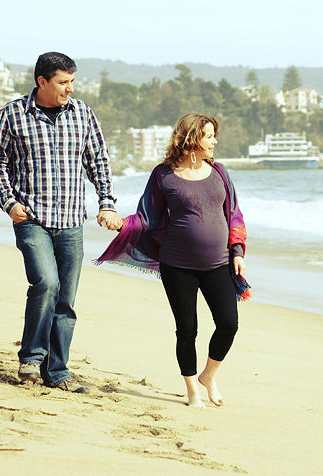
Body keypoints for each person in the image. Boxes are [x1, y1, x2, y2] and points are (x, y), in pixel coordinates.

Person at [0, 52, 121, 394]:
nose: (69, 89)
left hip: (72, 221)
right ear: (42, 81)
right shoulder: (13, 114)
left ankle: (57, 371)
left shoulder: (82, 113)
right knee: (46, 283)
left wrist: (107, 204)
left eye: (72, 82)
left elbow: (99, 163)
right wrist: (10, 203)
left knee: (66, 300)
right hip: (32, 219)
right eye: (63, 82)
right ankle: (31, 357)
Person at [95, 113, 250, 408]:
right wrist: (120, 224)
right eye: (208, 135)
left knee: (229, 323)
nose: (214, 140)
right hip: (177, 265)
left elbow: (235, 216)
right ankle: (192, 391)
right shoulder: (163, 175)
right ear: (192, 139)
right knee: (187, 329)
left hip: (218, 263)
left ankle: (209, 375)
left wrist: (238, 252)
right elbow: (146, 217)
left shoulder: (220, 172)